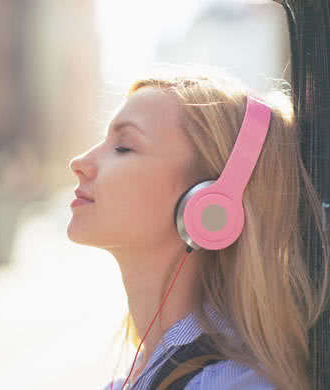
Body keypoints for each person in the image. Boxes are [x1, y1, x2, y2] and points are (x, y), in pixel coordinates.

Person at [67, 66, 329, 390]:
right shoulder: (144, 375)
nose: (79, 162)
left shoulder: (228, 384)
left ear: (210, 206)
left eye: (124, 147)